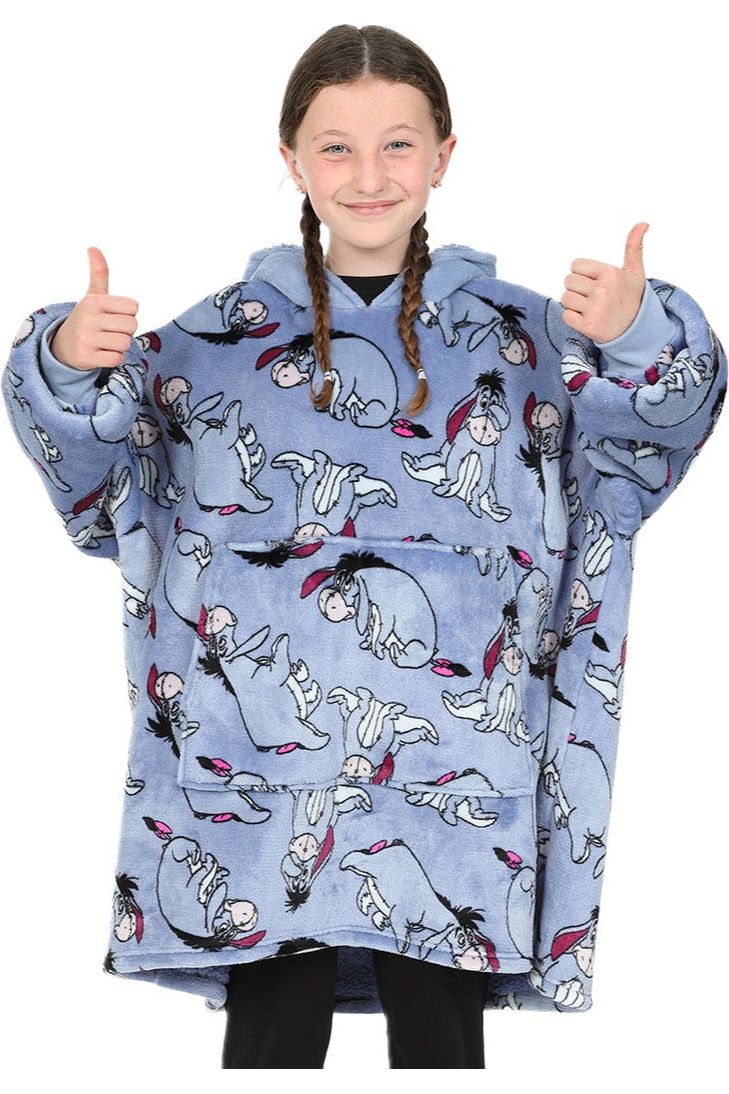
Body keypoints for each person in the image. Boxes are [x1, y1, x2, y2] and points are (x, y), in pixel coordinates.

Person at [2, 23, 726, 1071]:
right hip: (261, 779)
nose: (370, 175)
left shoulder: (528, 345)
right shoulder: (207, 348)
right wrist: (69, 366)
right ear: (291, 160)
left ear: (443, 155)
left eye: (398, 144)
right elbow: (96, 486)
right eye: (336, 147)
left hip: (458, 778)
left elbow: (644, 452)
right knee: (272, 1038)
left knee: (440, 1042)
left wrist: (640, 340)